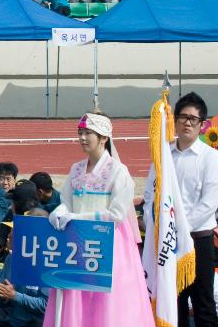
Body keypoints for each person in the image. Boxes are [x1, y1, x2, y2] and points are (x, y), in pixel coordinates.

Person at [44, 113, 153, 326]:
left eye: (89, 133)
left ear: (104, 138)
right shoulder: (76, 169)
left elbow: (117, 214)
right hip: (76, 244)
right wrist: (60, 211)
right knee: (77, 293)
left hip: (110, 245)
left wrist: (76, 217)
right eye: (80, 133)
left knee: (107, 302)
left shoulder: (119, 172)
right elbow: (66, 199)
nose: (83, 138)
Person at [144, 91, 218, 327]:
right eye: (183, 117)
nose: (187, 122)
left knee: (203, 304)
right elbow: (149, 196)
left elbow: (209, 204)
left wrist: (179, 230)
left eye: (193, 119)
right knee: (172, 305)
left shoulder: (210, 158)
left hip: (198, 242)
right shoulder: (163, 154)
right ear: (174, 120)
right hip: (166, 243)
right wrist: (154, 224)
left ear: (202, 124)